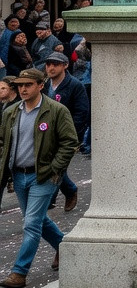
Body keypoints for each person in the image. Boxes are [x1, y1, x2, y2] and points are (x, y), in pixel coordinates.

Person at [0, 68, 76, 286]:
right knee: (38, 220)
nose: (23, 89)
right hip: (19, 176)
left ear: (40, 85)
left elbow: (69, 142)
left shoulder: (56, 111)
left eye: (28, 85)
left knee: (31, 224)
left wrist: (54, 169)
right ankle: (64, 246)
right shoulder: (11, 112)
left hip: (43, 177)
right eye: (20, 85)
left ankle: (19, 273)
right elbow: (2, 141)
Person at [39, 51, 85, 212]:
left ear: (65, 65)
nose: (50, 68)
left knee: (58, 166)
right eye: (48, 64)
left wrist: (74, 136)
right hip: (45, 133)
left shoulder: (74, 85)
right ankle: (69, 189)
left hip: (65, 135)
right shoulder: (43, 84)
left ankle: (48, 200)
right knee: (50, 164)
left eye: (55, 64)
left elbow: (81, 112)